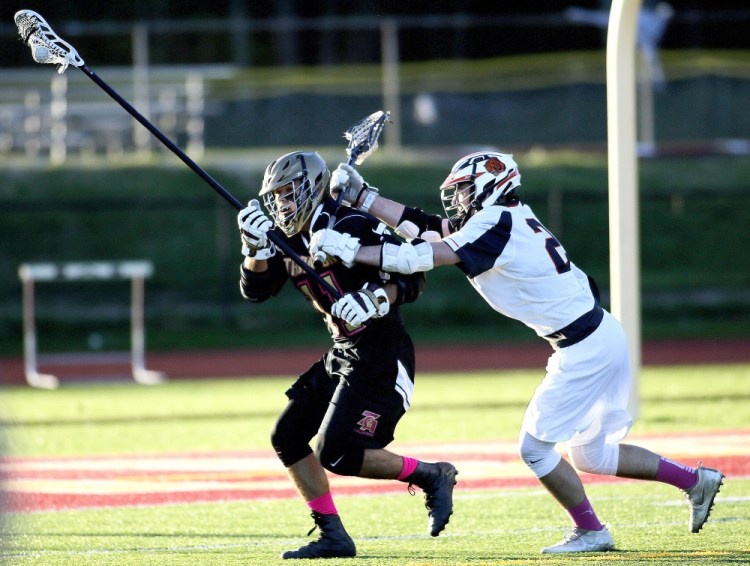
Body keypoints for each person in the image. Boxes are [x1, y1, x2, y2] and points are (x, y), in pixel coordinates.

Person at [309, 151, 725, 554]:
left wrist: (352, 250)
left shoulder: (495, 221)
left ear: (492, 184)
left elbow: (423, 253)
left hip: (585, 345)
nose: (459, 200)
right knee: (591, 454)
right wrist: (366, 199)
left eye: (467, 190)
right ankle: (694, 480)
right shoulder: (503, 219)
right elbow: (429, 228)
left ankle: (591, 530)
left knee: (535, 449)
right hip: (597, 335)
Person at [237, 150, 458, 560]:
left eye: (289, 193)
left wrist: (376, 297)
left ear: (313, 187)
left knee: (336, 451)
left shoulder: (351, 223)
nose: (283, 204)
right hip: (343, 350)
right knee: (286, 436)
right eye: (277, 196)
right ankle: (333, 536)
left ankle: (431, 475)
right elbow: (256, 291)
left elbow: (415, 276)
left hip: (381, 349)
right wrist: (254, 247)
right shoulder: (287, 239)